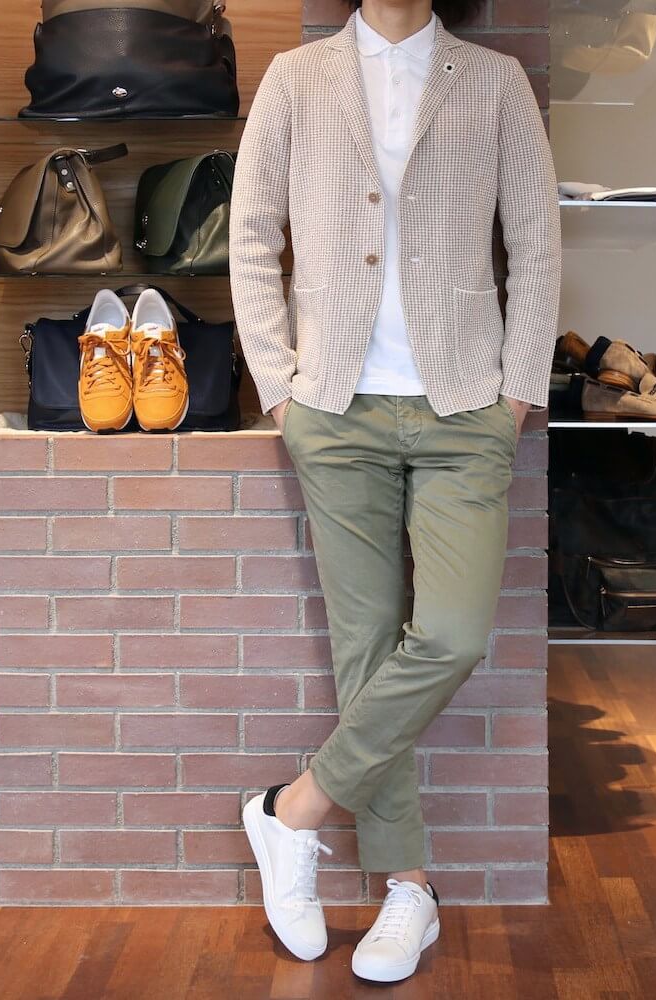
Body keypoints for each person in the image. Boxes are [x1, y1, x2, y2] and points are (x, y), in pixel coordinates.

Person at [229, 0, 560, 983]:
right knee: (366, 650)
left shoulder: (494, 81)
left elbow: (537, 242)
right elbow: (250, 235)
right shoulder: (297, 79)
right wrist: (280, 387)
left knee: (451, 635)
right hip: (333, 406)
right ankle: (407, 888)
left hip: (464, 410)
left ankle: (292, 810)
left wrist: (514, 394)